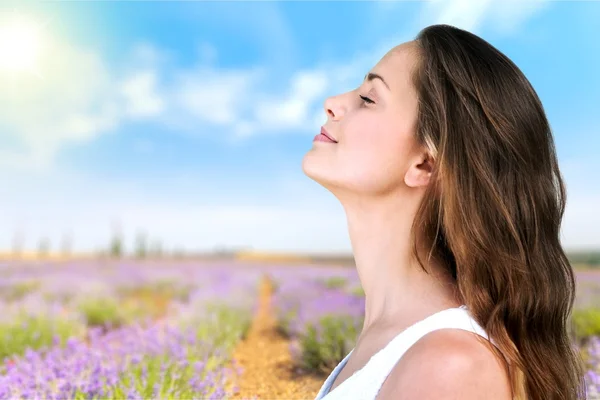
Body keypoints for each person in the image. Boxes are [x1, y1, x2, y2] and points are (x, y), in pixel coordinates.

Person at [302, 24, 587, 400]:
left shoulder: (449, 366)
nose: (334, 102)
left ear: (426, 165)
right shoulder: (396, 344)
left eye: (369, 98)